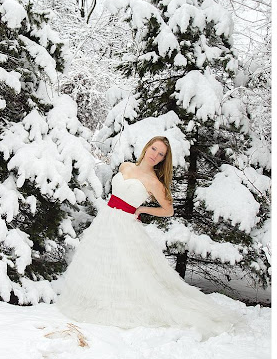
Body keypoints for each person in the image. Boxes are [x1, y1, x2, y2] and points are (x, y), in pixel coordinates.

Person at [56, 136, 244, 340]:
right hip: (106, 219)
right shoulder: (125, 166)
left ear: (163, 159)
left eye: (161, 154)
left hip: (125, 225)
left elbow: (168, 210)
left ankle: (122, 305)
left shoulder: (155, 183)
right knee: (100, 263)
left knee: (128, 270)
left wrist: (143, 208)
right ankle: (92, 300)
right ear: (147, 147)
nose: (155, 155)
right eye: (154, 149)